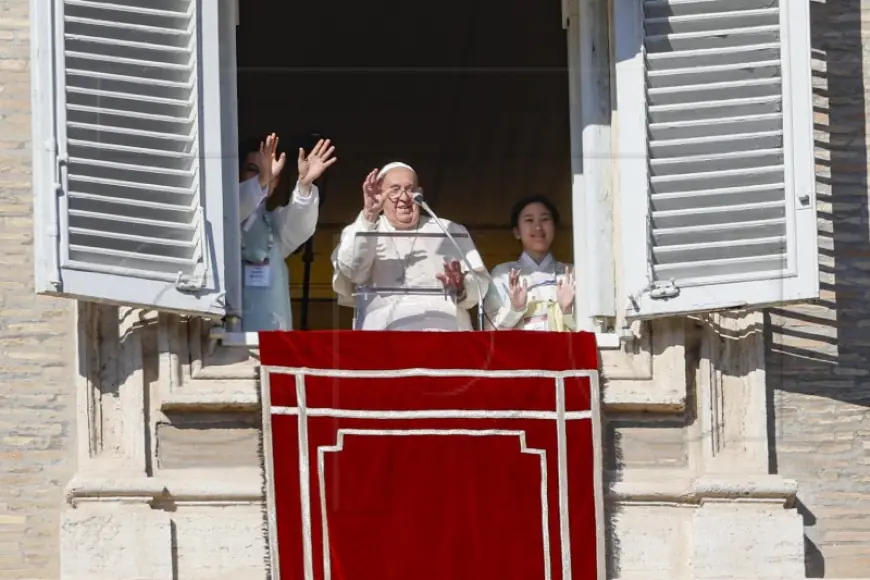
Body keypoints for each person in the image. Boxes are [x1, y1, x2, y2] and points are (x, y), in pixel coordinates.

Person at [331, 162, 490, 331]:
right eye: (394, 189)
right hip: (386, 334)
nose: (404, 197)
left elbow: (480, 284)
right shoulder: (362, 229)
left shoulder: (449, 230)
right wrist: (369, 215)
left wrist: (461, 287)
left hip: (445, 331)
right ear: (379, 194)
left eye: (409, 189)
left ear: (420, 193)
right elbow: (352, 273)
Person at [238, 133, 336, 331]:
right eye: (252, 170)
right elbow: (234, 209)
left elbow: (299, 225)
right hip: (230, 340)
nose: (262, 177)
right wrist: (262, 180)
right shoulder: (224, 216)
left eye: (268, 173)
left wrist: (304, 185)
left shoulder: (273, 223)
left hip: (273, 338)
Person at [483, 195, 576, 331]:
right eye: (529, 220)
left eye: (545, 219)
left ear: (555, 227)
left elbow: (590, 330)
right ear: (517, 232)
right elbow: (490, 331)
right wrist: (515, 309)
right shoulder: (502, 274)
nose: (538, 227)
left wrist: (567, 310)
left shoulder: (571, 273)